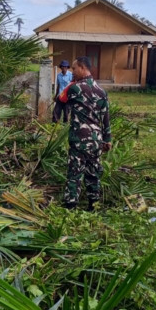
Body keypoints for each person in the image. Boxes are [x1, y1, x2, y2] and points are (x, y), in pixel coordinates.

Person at [58, 56, 111, 210]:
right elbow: (105, 118)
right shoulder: (102, 91)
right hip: (96, 140)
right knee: (93, 174)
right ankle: (93, 205)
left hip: (79, 139)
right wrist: (107, 139)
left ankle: (70, 207)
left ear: (82, 68)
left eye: (74, 69)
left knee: (74, 174)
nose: (72, 72)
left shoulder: (75, 88)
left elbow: (61, 98)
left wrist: (72, 83)